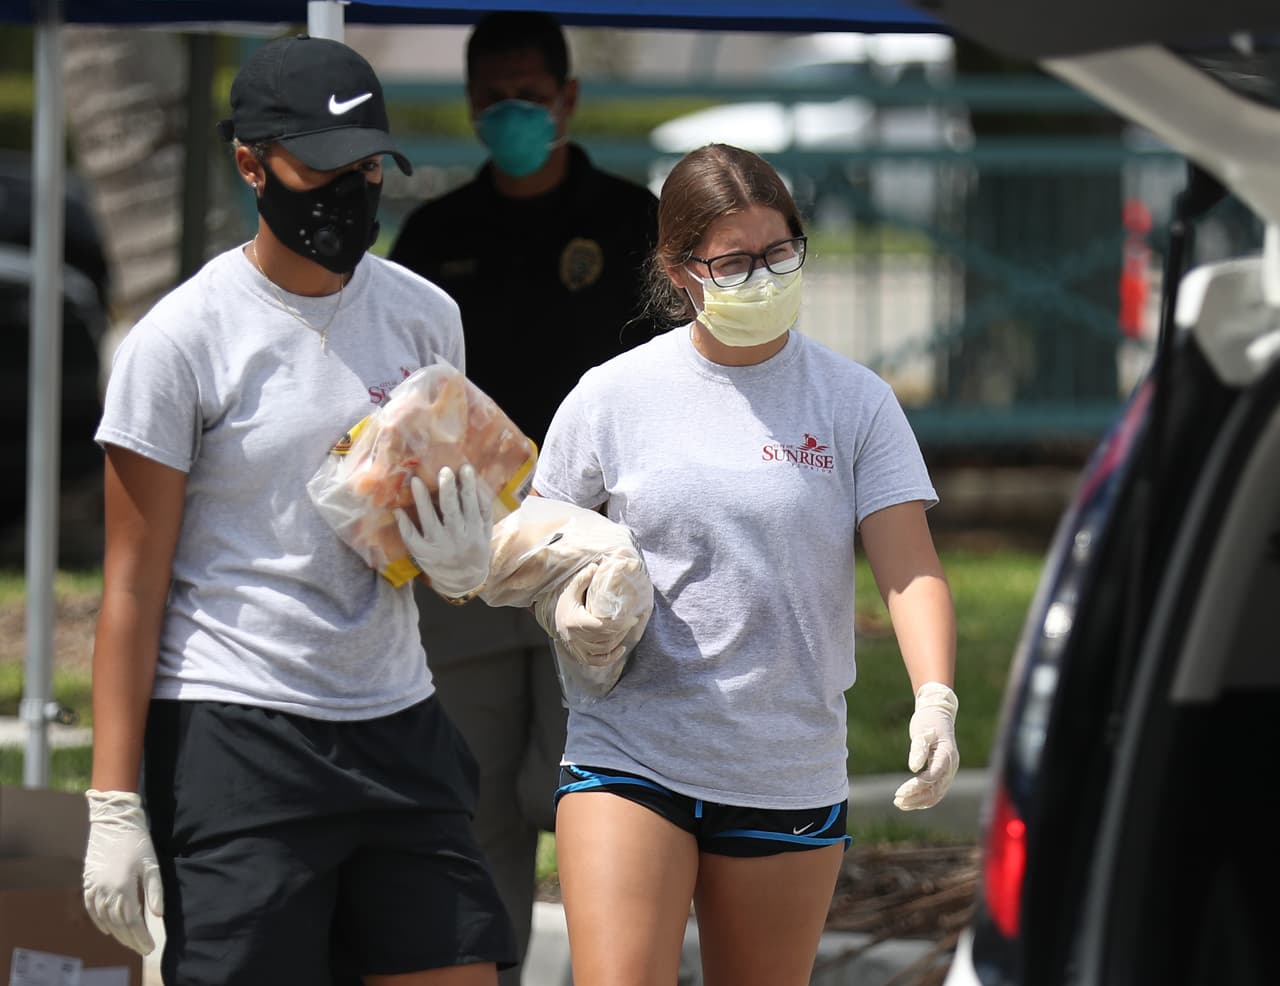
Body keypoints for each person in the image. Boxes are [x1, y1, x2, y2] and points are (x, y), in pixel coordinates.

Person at [80, 35, 517, 986]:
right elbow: (131, 580)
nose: (347, 192)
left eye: (366, 168)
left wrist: (458, 561)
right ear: (250, 163)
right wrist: (113, 800)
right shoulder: (181, 341)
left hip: (397, 716)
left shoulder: (424, 315)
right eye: (320, 169)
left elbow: (430, 503)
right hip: (238, 732)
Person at [531, 143, 961, 986]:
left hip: (784, 765)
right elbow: (539, 543)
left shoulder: (853, 401)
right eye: (734, 261)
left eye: (779, 252)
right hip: (631, 747)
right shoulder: (612, 396)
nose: (762, 278)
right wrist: (561, 604)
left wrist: (936, 698)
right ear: (679, 269)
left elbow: (908, 566)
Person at [388, 12, 658, 981]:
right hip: (465, 560)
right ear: (470, 106)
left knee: (587, 791)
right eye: (493, 99)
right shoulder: (433, 234)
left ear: (568, 99)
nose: (510, 114)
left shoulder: (635, 223)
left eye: (528, 98)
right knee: (470, 800)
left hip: (595, 554)